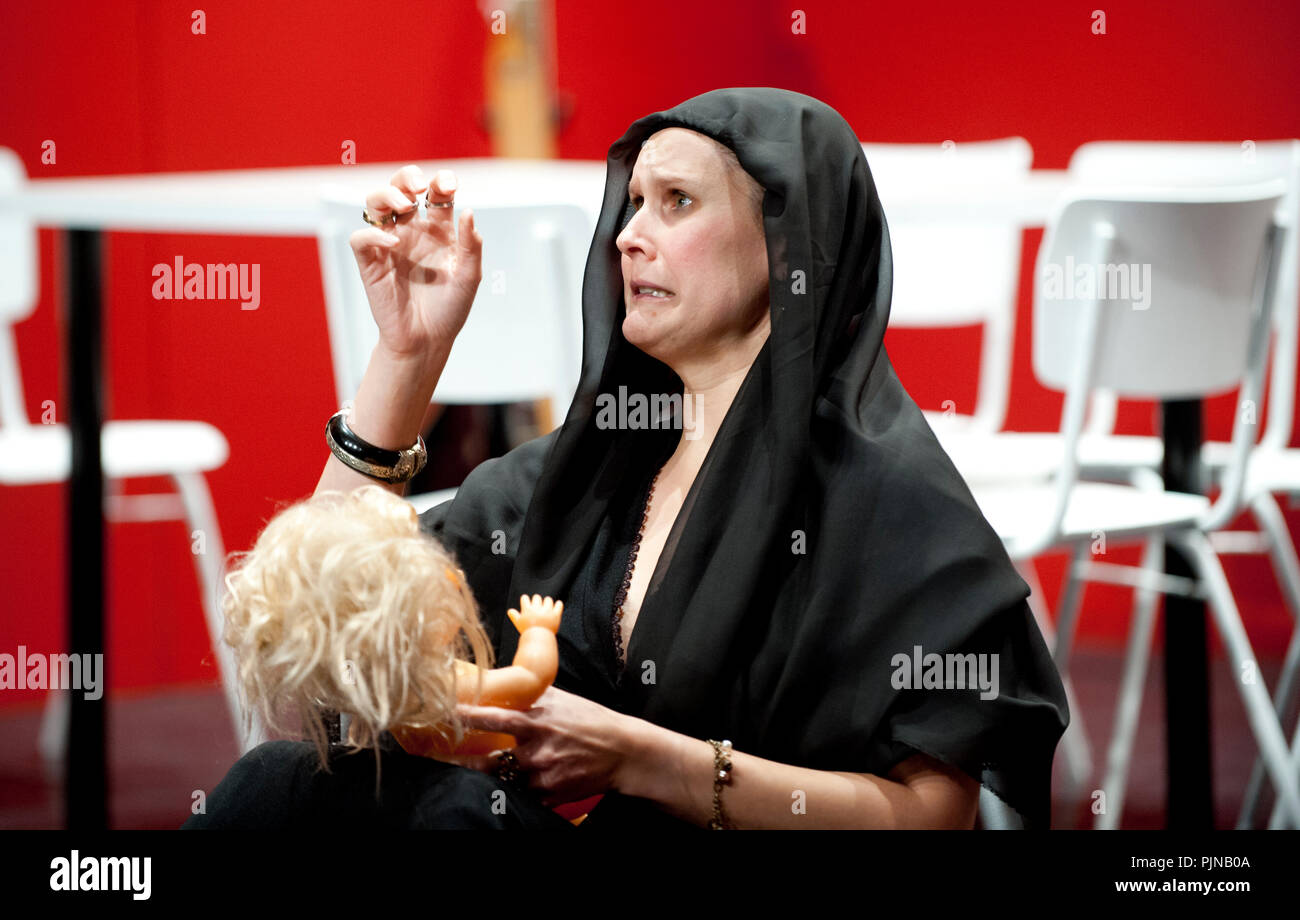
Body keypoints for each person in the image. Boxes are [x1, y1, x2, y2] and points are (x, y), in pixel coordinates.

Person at [186, 87, 1069, 830]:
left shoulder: (892, 505)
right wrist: (407, 360)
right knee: (282, 783)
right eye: (633, 202)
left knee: (448, 814)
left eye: (676, 203)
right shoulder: (585, 478)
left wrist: (642, 757)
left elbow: (931, 816)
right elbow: (311, 646)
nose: (629, 235)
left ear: (790, 242)